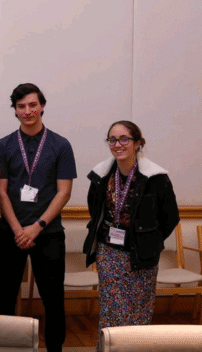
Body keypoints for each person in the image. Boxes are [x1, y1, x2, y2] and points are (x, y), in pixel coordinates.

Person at [0, 83, 77, 352]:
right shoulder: (4, 145)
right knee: (5, 296)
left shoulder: (60, 145)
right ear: (15, 110)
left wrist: (36, 227)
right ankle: (3, 347)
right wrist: (19, 230)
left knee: (53, 298)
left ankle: (54, 348)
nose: (27, 111)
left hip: (48, 233)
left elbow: (63, 193)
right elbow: (1, 193)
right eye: (21, 106)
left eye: (32, 105)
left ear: (42, 106)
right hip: (10, 232)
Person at [83, 120, 179, 351]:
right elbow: (94, 209)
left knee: (139, 310)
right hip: (109, 254)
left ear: (137, 143)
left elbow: (170, 217)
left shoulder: (155, 177)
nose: (118, 144)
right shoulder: (101, 176)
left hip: (142, 255)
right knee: (112, 309)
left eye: (124, 139)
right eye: (113, 139)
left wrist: (150, 241)